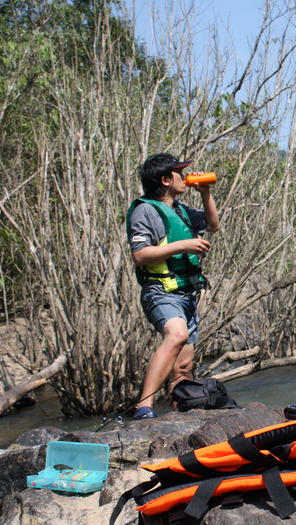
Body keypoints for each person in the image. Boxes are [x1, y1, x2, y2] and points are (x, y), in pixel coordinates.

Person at [126, 153, 220, 420]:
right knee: (176, 335)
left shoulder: (180, 209)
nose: (186, 176)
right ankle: (144, 407)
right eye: (180, 173)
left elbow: (213, 225)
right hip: (161, 291)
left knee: (184, 366)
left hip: (188, 294)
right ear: (166, 180)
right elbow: (140, 255)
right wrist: (183, 245)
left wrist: (206, 194)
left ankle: (180, 416)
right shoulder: (146, 211)